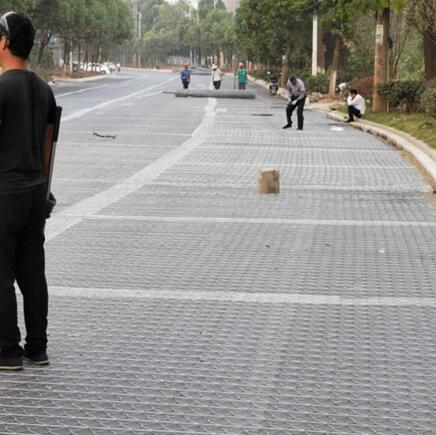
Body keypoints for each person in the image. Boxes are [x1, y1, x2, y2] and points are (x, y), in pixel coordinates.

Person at [0, 12, 57, 371]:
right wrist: (45, 190)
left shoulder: (2, 88)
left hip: (5, 193)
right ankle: (37, 348)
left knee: (1, 273)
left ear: (5, 41)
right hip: (36, 192)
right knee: (32, 271)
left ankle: (7, 350)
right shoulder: (44, 89)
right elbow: (49, 145)